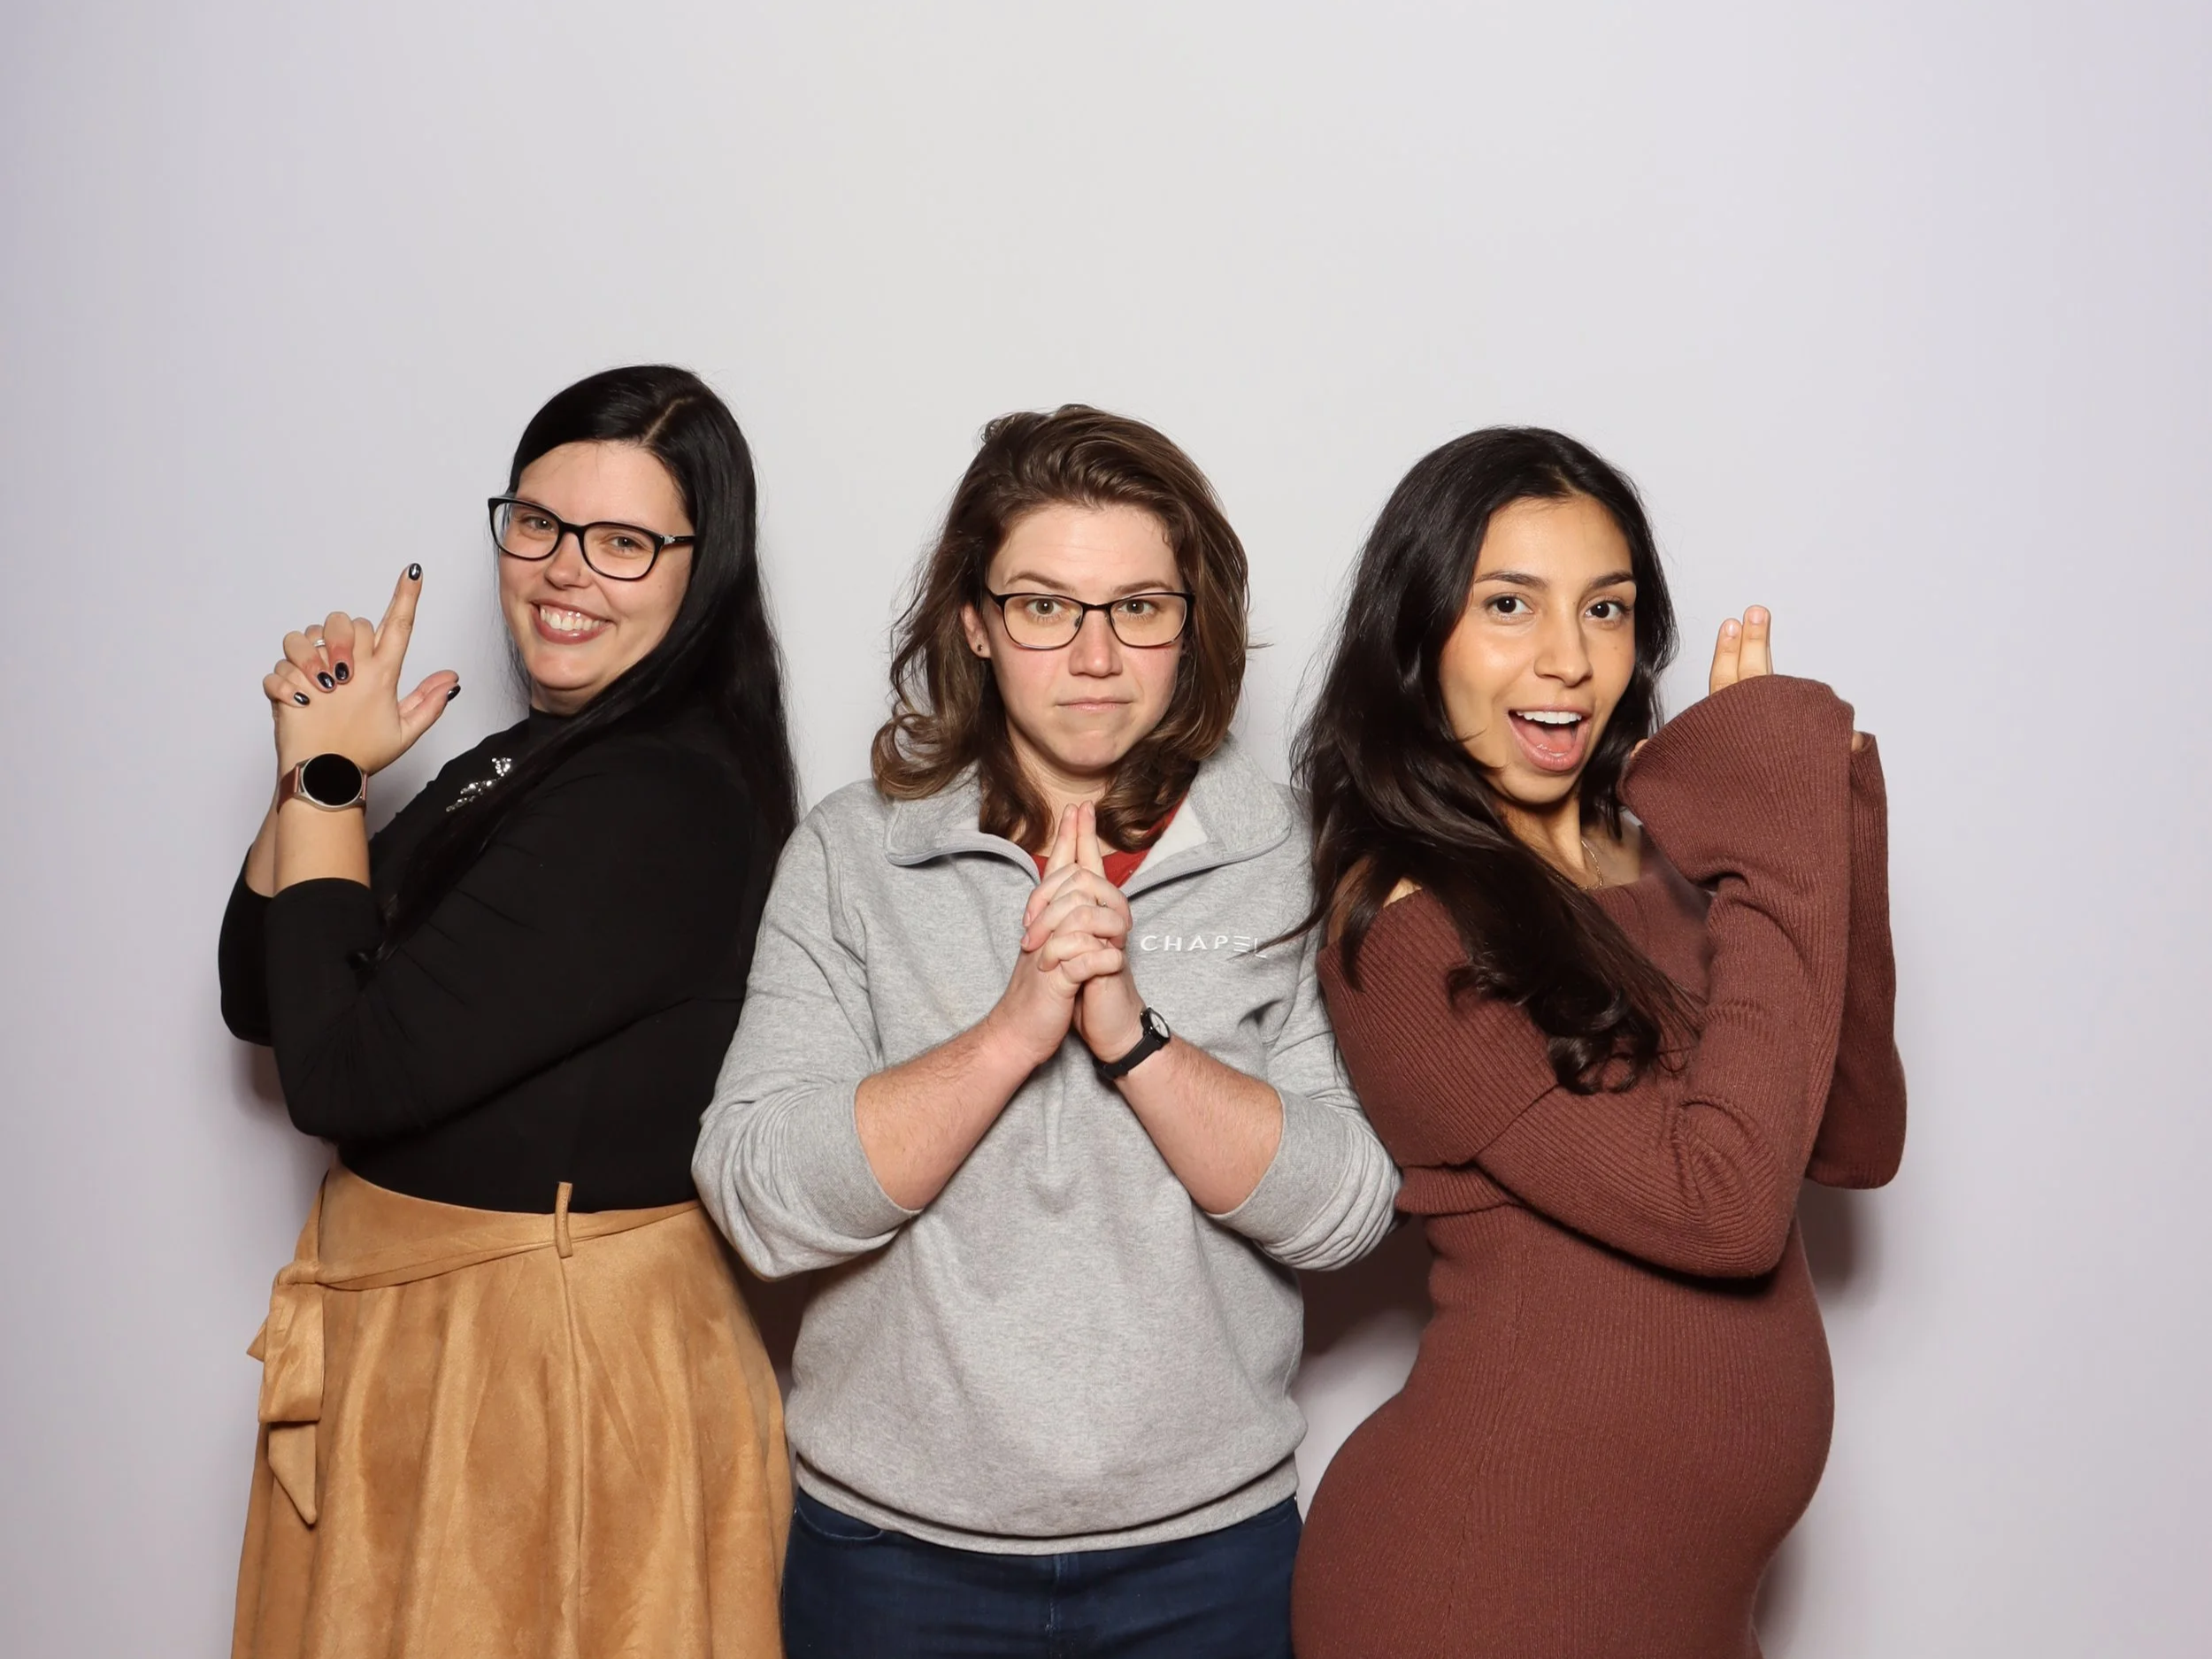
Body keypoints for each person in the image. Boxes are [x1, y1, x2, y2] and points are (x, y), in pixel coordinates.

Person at [694, 404, 1398, 1657]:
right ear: (975, 619)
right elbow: (758, 1197)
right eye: (1044, 606)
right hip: (891, 1556)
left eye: (1140, 607)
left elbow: (1346, 1206)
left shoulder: (1286, 858)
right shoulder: (857, 854)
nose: (1095, 654)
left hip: (1207, 1553)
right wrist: (1016, 1028)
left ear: (1193, 624)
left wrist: (1131, 1035)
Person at [1287, 426, 1907, 1659]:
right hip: (1484, 1587)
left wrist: (1825, 834)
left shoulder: (1669, 858)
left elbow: (1849, 1134)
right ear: (1419, 639)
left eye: (1608, 608)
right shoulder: (1407, 926)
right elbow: (1724, 1209)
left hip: (1677, 1603)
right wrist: (1772, 844)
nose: (1569, 659)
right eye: (1508, 604)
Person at [218, 365, 798, 1658]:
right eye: (534, 523)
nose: (562, 570)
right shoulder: (529, 754)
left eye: (624, 540)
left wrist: (330, 787)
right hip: (433, 1340)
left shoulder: (659, 797)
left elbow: (340, 1071)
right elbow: (265, 995)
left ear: (703, 568)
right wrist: (309, 770)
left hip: (540, 1364)